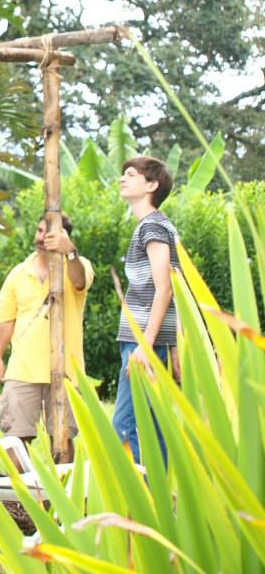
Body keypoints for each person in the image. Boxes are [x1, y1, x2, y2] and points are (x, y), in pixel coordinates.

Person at [0, 215, 94, 458]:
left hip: (66, 369)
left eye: (47, 233)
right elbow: (6, 320)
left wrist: (70, 252)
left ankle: (61, 494)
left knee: (63, 437)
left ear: (64, 236)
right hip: (23, 369)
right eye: (38, 231)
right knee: (15, 437)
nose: (40, 238)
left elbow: (79, 283)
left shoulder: (78, 265)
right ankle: (20, 494)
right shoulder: (18, 273)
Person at [112, 156, 179, 464]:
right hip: (146, 340)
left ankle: (140, 504)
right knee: (152, 425)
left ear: (152, 185)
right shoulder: (151, 226)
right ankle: (159, 504)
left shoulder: (152, 226)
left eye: (131, 174)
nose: (123, 178)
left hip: (144, 341)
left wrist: (145, 344)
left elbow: (164, 287)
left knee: (125, 426)